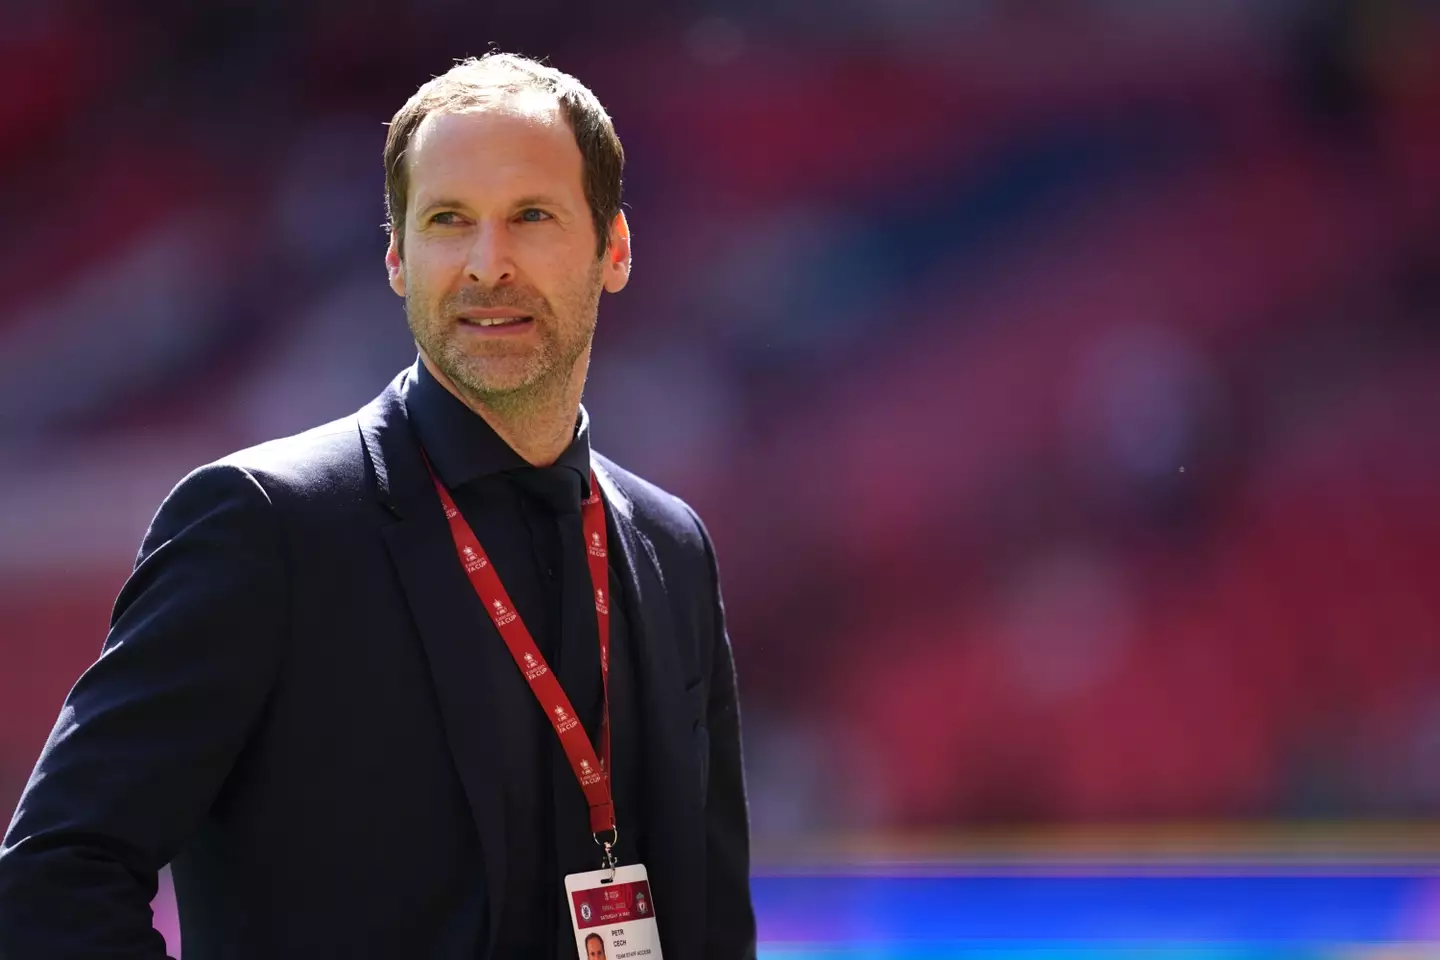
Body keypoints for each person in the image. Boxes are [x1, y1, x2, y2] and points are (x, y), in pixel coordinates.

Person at [0, 53, 755, 959]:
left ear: (615, 248)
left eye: (532, 217)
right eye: (448, 221)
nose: (489, 264)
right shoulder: (259, 526)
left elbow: (710, 919)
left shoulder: (672, 547)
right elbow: (52, 879)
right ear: (398, 257)